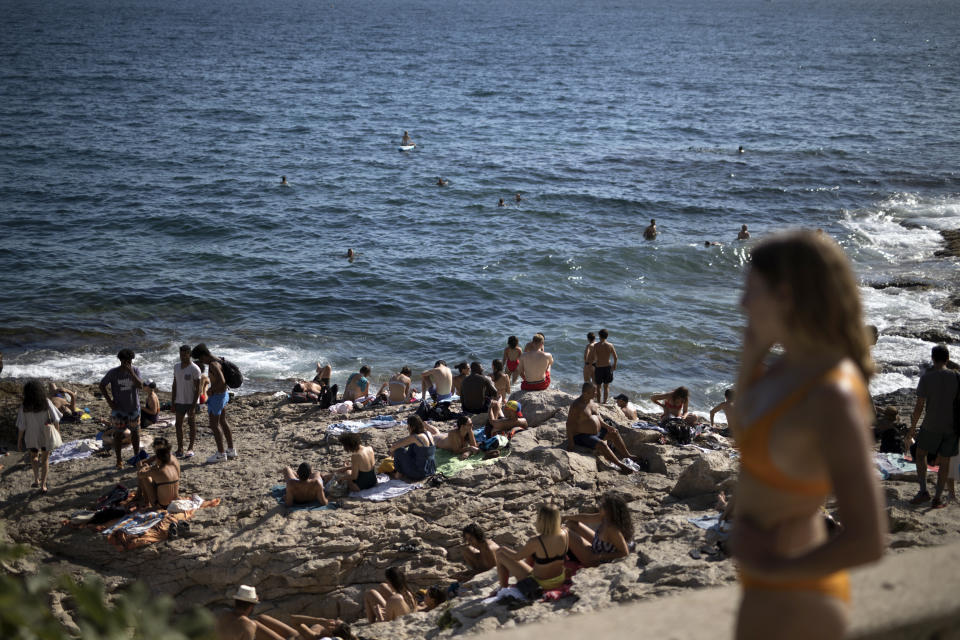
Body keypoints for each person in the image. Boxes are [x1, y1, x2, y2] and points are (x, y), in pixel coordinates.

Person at [729, 230, 885, 640]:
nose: (742, 302)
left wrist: (779, 569)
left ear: (785, 296)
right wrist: (750, 356)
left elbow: (869, 539)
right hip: (762, 589)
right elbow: (743, 431)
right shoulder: (787, 368)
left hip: (802, 601)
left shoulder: (831, 393)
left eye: (752, 290)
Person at [906, 344, 960, 508]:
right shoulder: (957, 377)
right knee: (945, 461)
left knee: (920, 454)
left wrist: (912, 427)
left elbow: (919, 406)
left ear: (932, 358)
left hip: (931, 425)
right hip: (951, 427)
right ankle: (937, 498)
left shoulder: (927, 378)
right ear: (948, 359)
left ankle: (923, 491)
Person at [494, 504, 568, 592]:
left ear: (541, 520)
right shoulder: (565, 532)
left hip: (541, 583)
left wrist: (502, 548)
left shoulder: (536, 541)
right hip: (560, 579)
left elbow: (517, 557)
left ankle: (503, 588)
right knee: (533, 553)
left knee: (500, 554)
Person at [566, 382, 635, 474]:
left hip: (595, 433)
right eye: (594, 392)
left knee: (614, 433)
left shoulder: (591, 401)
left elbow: (598, 417)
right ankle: (620, 465)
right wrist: (571, 442)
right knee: (602, 444)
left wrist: (608, 427)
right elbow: (569, 424)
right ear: (585, 393)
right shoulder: (576, 406)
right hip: (581, 436)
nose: (596, 393)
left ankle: (627, 455)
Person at [99, 348, 146, 469]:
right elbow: (102, 385)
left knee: (135, 434)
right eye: (126, 361)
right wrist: (109, 401)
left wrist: (131, 373)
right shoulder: (113, 373)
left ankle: (136, 457)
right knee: (118, 435)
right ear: (121, 360)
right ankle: (119, 460)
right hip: (119, 410)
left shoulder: (135, 370)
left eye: (130, 361)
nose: (129, 363)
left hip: (133, 408)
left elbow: (140, 386)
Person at [191, 344, 237, 463]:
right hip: (223, 395)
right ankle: (231, 450)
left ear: (204, 356)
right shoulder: (219, 360)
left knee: (214, 424)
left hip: (217, 396)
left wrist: (211, 390)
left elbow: (221, 381)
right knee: (223, 421)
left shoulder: (213, 364)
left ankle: (221, 453)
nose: (202, 362)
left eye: (201, 359)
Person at [16, 380, 62, 493]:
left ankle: (36, 479)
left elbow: (21, 426)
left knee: (34, 456)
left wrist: (19, 440)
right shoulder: (46, 402)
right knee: (45, 459)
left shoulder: (24, 406)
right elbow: (56, 419)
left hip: (31, 436)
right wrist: (57, 432)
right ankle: (43, 485)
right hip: (45, 434)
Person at [564, 494, 633, 567]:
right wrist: (565, 517)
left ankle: (557, 556)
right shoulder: (605, 518)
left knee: (566, 532)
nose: (598, 506)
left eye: (601, 505)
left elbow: (625, 553)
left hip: (597, 559)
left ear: (608, 510)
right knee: (571, 523)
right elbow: (586, 518)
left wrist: (600, 556)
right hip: (598, 547)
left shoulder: (612, 529)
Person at [172, 345, 201, 458]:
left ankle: (190, 448)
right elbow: (174, 384)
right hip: (179, 400)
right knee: (178, 425)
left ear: (189, 354)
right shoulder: (176, 367)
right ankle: (180, 449)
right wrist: (173, 401)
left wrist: (193, 406)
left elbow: (198, 389)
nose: (182, 356)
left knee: (191, 424)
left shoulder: (195, 369)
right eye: (181, 354)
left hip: (191, 402)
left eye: (185, 354)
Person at [136, 437, 180, 509]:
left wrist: (144, 467)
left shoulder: (162, 466)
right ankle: (140, 496)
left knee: (144, 476)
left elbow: (140, 474)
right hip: (174, 500)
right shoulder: (169, 461)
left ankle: (145, 501)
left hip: (162, 506)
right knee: (147, 472)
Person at [389, 415, 436, 481]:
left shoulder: (415, 437)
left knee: (398, 450)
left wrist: (392, 451)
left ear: (412, 427)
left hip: (419, 473)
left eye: (408, 426)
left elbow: (394, 447)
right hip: (431, 470)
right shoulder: (428, 433)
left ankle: (398, 475)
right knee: (408, 448)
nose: (408, 428)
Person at [593, 329, 618, 403]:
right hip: (607, 367)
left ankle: (598, 402)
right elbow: (615, 357)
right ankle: (604, 402)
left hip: (599, 367)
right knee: (606, 386)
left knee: (598, 387)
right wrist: (614, 365)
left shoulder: (596, 345)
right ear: (607, 336)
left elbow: (595, 358)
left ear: (599, 336)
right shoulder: (610, 345)